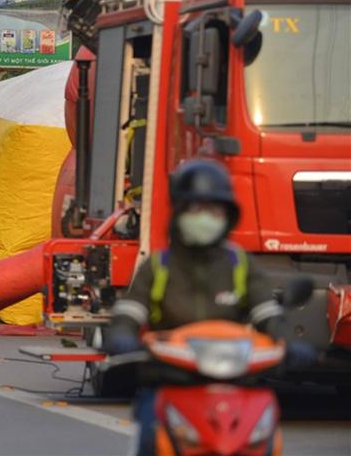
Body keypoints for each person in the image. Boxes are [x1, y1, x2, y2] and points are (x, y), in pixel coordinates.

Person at [105, 160, 286, 455]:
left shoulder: (241, 266)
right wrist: (121, 334)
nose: (205, 217)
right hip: (170, 378)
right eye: (196, 209)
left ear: (227, 217)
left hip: (236, 380)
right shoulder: (159, 267)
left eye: (214, 210)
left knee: (266, 431)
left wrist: (289, 340)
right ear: (179, 213)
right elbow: (131, 309)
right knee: (150, 430)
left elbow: (267, 312)